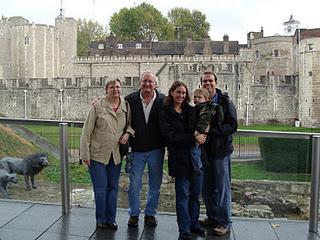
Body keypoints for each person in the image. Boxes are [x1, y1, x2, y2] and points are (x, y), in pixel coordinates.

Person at [80, 79, 134, 230]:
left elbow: (130, 125)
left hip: (115, 154)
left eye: (117, 87)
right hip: (97, 154)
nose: (115, 89)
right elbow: (86, 131)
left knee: (113, 187)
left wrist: (128, 134)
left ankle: (111, 218)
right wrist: (85, 154)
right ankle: (101, 219)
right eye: (112, 87)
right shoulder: (97, 106)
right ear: (106, 90)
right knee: (101, 188)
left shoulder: (126, 106)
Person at [159, 81, 207, 240]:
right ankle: (184, 229)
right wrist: (193, 137)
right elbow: (170, 137)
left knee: (195, 195)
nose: (181, 95)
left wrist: (200, 134)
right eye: (178, 92)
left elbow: (203, 124)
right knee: (182, 197)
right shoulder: (165, 112)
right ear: (172, 92)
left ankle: (194, 223)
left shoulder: (191, 110)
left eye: (184, 93)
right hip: (179, 160)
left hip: (195, 160)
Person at [199, 71, 238, 236]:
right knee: (207, 188)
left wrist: (213, 131)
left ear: (216, 82)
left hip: (220, 151)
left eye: (210, 81)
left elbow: (233, 125)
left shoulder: (225, 102)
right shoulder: (200, 102)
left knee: (222, 188)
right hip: (205, 152)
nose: (208, 84)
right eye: (205, 81)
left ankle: (224, 222)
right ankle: (212, 216)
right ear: (201, 84)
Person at [125, 70, 165, 227]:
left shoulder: (163, 100)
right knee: (134, 184)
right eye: (145, 81)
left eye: (150, 82)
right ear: (140, 83)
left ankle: (150, 213)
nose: (147, 84)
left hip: (156, 149)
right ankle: (134, 213)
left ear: (155, 84)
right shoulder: (130, 100)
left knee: (155, 184)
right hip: (137, 149)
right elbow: (115, 108)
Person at [188, 88, 223, 176]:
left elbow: (204, 120)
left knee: (194, 151)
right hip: (200, 133)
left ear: (206, 99)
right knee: (196, 151)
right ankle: (198, 167)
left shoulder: (205, 108)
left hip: (200, 134)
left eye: (199, 97)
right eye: (195, 97)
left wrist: (197, 132)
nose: (196, 99)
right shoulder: (199, 107)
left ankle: (197, 168)